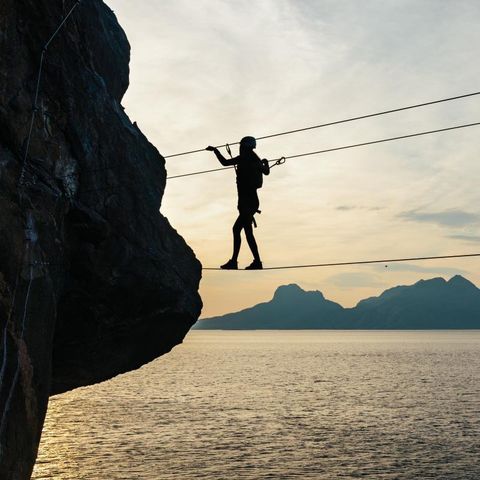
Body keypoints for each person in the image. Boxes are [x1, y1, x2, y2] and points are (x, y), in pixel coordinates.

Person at [206, 136, 270, 270]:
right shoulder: (255, 159)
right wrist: (266, 163)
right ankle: (249, 261)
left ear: (244, 146)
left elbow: (224, 162)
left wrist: (215, 151)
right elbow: (266, 172)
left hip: (247, 202)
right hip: (251, 202)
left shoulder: (244, 158)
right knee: (244, 231)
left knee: (241, 231)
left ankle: (244, 261)